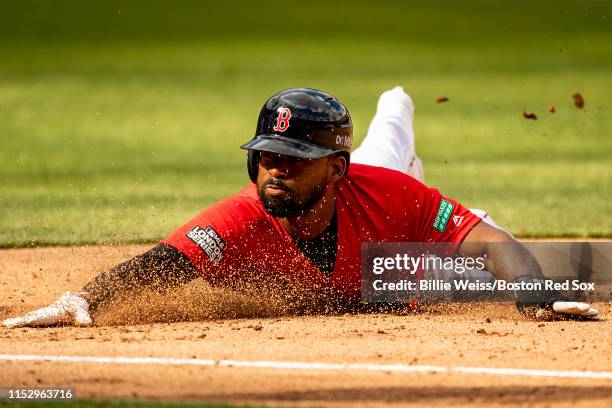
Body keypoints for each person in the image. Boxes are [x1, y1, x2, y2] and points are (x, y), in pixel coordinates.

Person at [2, 87, 600, 328]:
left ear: (334, 169)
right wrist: (80, 299)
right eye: (267, 155)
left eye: (293, 157)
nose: (275, 169)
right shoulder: (239, 217)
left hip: (384, 187)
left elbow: (490, 241)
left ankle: (398, 99)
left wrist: (531, 285)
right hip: (370, 218)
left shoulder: (385, 191)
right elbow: (166, 263)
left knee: (392, 135)